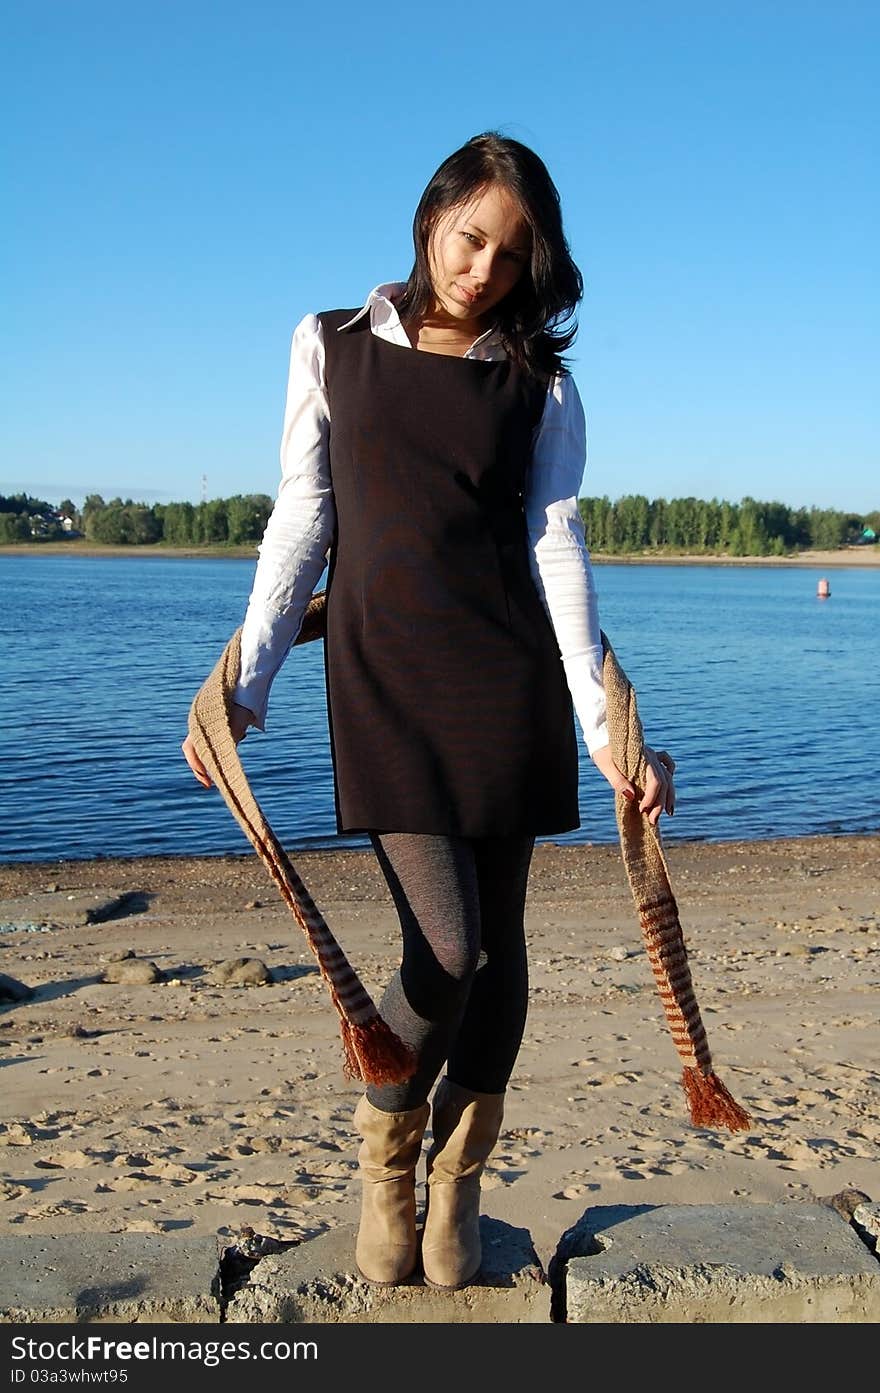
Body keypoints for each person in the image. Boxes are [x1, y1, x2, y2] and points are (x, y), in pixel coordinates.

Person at [182, 131, 675, 1291]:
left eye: (511, 255)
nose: (483, 269)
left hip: (504, 676)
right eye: (471, 238)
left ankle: (455, 1185)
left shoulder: (538, 382)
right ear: (431, 217)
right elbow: (300, 518)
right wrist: (244, 682)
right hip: (384, 679)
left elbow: (554, 545)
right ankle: (383, 1160)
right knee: (445, 944)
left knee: (498, 946)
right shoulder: (331, 344)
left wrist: (607, 719)